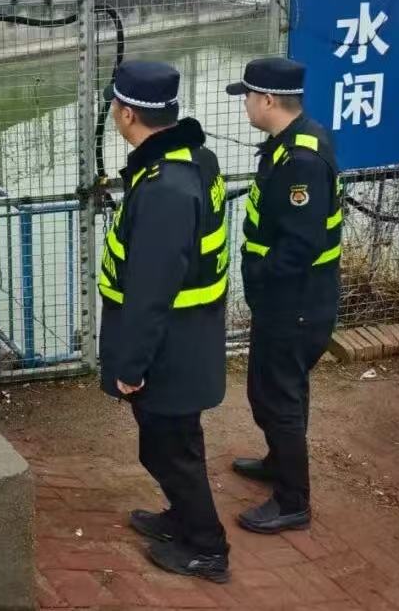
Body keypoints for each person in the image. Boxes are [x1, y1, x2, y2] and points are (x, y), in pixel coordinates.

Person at [99, 60, 231, 584]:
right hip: (186, 338)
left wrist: (131, 365)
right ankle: (181, 519)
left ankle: (208, 549)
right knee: (170, 444)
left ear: (128, 113)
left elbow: (151, 291)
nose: (113, 112)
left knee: (172, 450)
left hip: (170, 348)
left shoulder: (165, 189)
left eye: (115, 105)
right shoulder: (194, 159)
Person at [225, 57, 342, 534]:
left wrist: (259, 274)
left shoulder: (301, 162)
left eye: (248, 98)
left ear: (268, 100)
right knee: (272, 390)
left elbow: (300, 244)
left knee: (280, 398)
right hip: (285, 300)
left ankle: (293, 501)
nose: (246, 106)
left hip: (296, 301)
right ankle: (279, 462)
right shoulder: (289, 144)